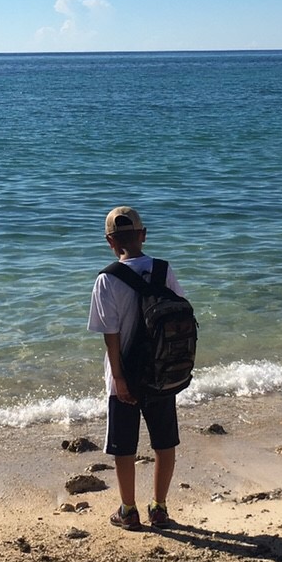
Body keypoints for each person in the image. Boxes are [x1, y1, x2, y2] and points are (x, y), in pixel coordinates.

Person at [88, 206, 185, 532]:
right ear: (143, 236)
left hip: (125, 375)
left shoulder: (107, 279)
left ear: (110, 242)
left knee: (124, 446)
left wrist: (118, 377)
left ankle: (128, 510)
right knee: (164, 442)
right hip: (161, 370)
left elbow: (110, 334)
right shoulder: (163, 269)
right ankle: (159, 507)